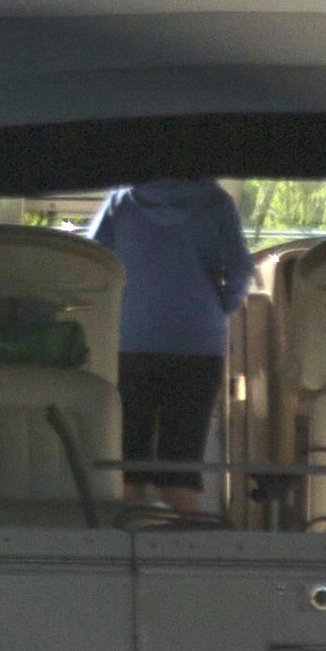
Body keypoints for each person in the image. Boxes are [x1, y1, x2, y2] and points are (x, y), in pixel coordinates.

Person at [90, 172, 252, 512]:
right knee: (180, 468)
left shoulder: (121, 201)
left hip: (131, 342)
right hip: (198, 345)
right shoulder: (217, 203)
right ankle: (184, 549)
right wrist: (216, 306)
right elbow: (239, 271)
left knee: (126, 463)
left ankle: (126, 546)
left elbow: (94, 263)